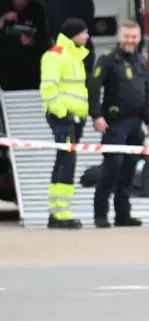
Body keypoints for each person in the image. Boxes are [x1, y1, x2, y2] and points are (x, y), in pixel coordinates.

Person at [89, 20, 149, 227]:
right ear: (120, 37)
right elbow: (93, 86)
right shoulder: (109, 59)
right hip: (115, 123)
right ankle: (100, 214)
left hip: (136, 123)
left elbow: (145, 96)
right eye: (127, 36)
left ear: (139, 39)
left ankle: (122, 214)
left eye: (134, 37)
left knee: (129, 169)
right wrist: (96, 116)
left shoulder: (140, 61)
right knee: (112, 166)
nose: (130, 40)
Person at [38, 18, 90, 228]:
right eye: (84, 33)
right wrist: (62, 113)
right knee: (67, 161)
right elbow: (48, 88)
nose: (87, 37)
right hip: (64, 117)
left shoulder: (75, 56)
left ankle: (56, 211)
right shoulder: (55, 55)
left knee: (64, 159)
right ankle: (62, 213)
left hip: (74, 118)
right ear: (74, 34)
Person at [0, 0, 49, 91]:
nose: (21, 2)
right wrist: (2, 20)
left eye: (25, 0)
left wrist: (32, 41)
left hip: (28, 61)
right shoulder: (2, 5)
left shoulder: (36, 10)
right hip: (5, 60)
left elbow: (42, 36)